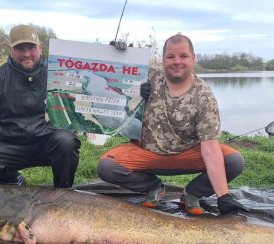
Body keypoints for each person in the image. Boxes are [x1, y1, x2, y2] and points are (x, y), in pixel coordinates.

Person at [97, 33, 246, 215]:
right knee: (107, 167)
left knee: (233, 161)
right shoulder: (148, 76)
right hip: (146, 151)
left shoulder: (204, 95)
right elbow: (114, 72)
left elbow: (210, 147)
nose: (177, 61)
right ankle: (154, 186)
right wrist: (116, 54)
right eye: (170, 56)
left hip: (188, 153)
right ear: (163, 59)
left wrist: (223, 197)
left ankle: (191, 193)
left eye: (183, 56)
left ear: (193, 58)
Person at [0, 24, 81, 188]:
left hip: (49, 142)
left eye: (31, 47)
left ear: (40, 48)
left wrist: (117, 54)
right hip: (13, 145)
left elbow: (93, 88)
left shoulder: (58, 73)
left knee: (66, 142)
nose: (27, 54)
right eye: (20, 48)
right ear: (11, 50)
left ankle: (63, 192)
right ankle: (12, 179)